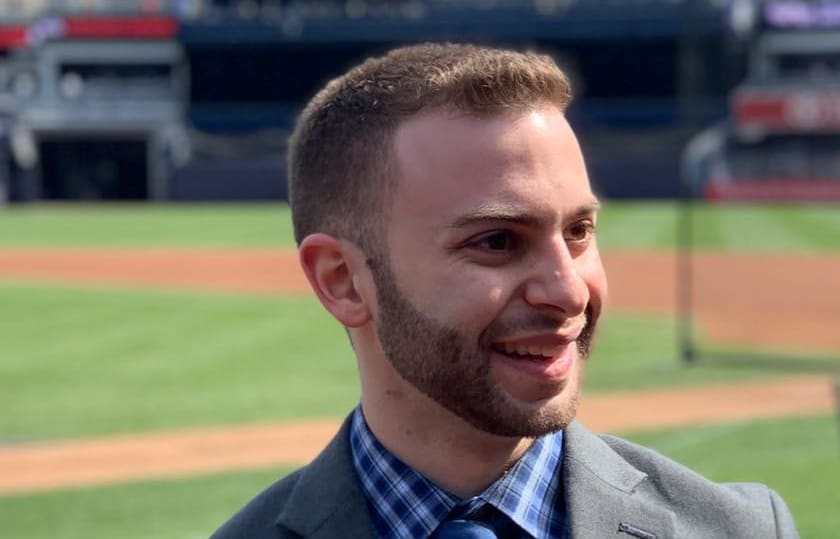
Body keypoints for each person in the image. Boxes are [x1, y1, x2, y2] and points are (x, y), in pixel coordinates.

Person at [212, 43, 799, 539]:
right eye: (496, 241)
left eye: (578, 232)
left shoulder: (742, 530)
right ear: (342, 280)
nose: (569, 292)